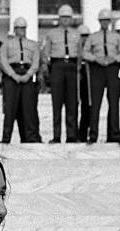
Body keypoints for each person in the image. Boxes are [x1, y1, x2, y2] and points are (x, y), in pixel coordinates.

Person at [83, 8, 120, 144]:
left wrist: (115, 59)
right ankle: (93, 134)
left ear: (109, 22)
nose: (104, 23)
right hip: (97, 68)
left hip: (112, 68)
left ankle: (114, 134)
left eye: (106, 20)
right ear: (99, 21)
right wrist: (96, 59)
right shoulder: (92, 37)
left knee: (114, 102)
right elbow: (85, 53)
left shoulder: (116, 37)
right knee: (95, 103)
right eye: (102, 20)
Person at [0, 17, 40, 144]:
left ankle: (31, 138)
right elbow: (3, 61)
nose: (21, 30)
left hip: (27, 75)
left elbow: (36, 61)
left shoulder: (33, 44)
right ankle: (6, 138)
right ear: (15, 29)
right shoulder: (7, 44)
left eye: (23, 28)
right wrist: (13, 75)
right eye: (19, 28)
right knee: (10, 108)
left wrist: (28, 74)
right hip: (12, 76)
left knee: (29, 108)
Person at [44, 4, 79, 143]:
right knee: (57, 102)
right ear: (59, 18)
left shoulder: (76, 33)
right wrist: (49, 68)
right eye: (63, 17)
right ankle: (57, 136)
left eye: (68, 17)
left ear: (71, 19)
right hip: (57, 66)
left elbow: (80, 53)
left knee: (72, 103)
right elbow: (46, 53)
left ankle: (71, 135)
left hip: (71, 66)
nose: (65, 20)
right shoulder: (51, 33)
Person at [76, 24, 91, 142]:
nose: (84, 38)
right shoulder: (75, 48)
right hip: (76, 79)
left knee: (87, 107)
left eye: (86, 36)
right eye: (82, 36)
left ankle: (83, 133)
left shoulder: (90, 48)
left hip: (87, 80)